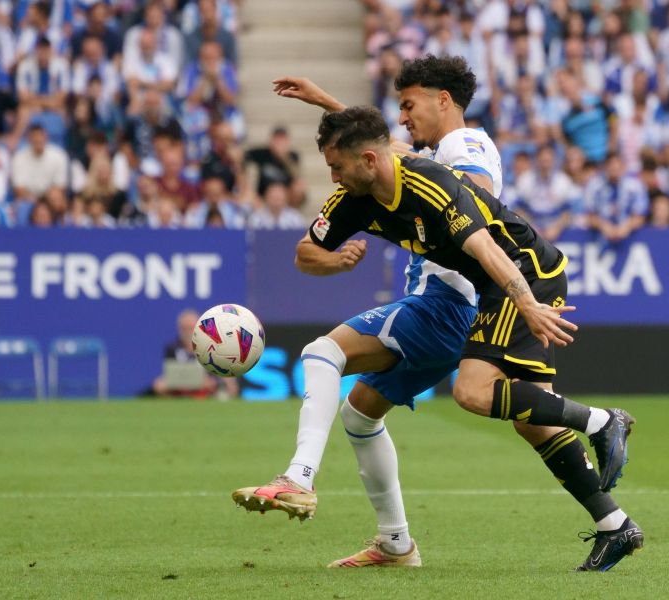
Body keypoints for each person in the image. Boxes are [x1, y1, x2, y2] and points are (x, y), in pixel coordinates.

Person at [233, 60, 641, 572]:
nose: (402, 117)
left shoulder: (462, 148)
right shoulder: (404, 163)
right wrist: (330, 106)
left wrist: (524, 300)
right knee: (518, 416)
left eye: (409, 104)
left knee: (354, 361)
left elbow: (465, 202)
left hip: (465, 293)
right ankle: (613, 523)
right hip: (485, 287)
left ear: (442, 100)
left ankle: (300, 477)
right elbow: (376, 150)